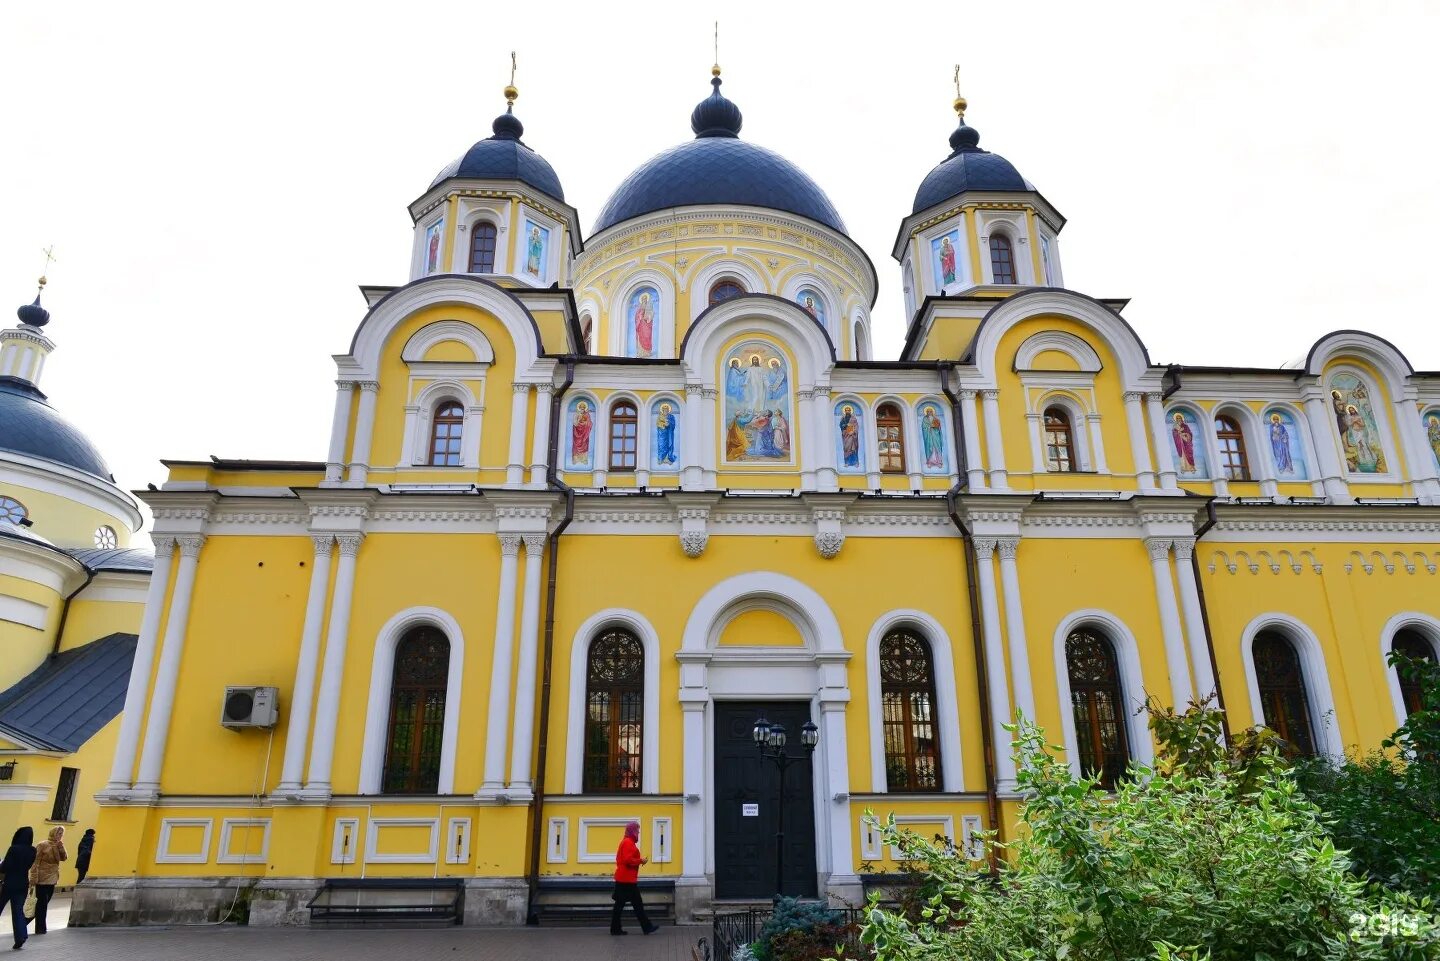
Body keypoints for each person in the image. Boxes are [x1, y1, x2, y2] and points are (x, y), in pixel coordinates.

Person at [609, 821, 656, 936]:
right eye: (637, 830)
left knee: (620, 905)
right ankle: (646, 927)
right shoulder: (628, 843)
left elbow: (623, 859)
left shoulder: (626, 842)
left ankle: (615, 929)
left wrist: (639, 861)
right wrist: (641, 861)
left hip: (624, 879)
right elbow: (627, 860)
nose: (638, 832)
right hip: (627, 880)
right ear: (632, 831)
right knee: (636, 904)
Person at [0, 827, 35, 949]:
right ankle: (21, 936)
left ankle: (21, 937)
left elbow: (5, 867)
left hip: (8, 884)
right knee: (18, 911)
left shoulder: (13, 849)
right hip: (23, 884)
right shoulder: (32, 850)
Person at [27, 828, 64, 934]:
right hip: (42, 878)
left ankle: (24, 921)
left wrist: (60, 846)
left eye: (62, 834)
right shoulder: (43, 845)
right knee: (41, 904)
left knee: (43, 903)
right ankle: (40, 928)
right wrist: (33, 878)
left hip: (52, 878)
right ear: (53, 833)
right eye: (58, 833)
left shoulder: (59, 845)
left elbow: (64, 858)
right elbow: (35, 862)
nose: (60, 835)